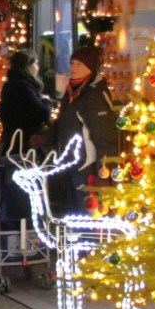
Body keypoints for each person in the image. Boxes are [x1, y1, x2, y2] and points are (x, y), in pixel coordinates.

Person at [51, 46, 119, 213]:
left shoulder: (94, 96)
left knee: (88, 218)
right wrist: (47, 137)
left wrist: (103, 173)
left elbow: (105, 137)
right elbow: (65, 125)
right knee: (75, 217)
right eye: (72, 63)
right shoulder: (73, 93)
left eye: (79, 64)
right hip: (72, 167)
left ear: (91, 68)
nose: (73, 68)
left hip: (86, 170)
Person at [0, 50, 53, 157]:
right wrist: (47, 101)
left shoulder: (12, 84)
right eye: (35, 64)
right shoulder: (24, 87)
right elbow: (42, 112)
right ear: (27, 66)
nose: (38, 68)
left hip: (15, 142)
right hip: (24, 145)